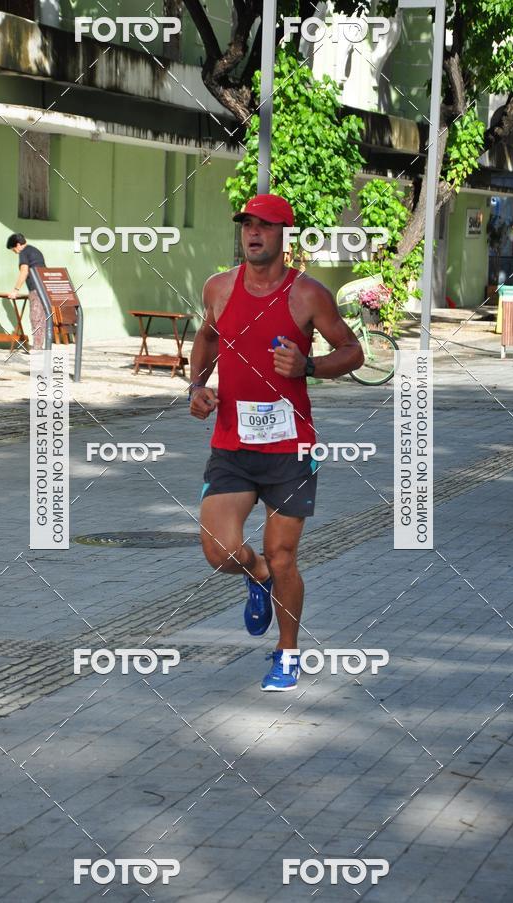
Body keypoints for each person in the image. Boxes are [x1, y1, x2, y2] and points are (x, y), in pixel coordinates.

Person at [189, 194, 364, 691]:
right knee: (221, 551)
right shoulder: (219, 288)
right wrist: (197, 385)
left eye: (264, 225)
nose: (253, 232)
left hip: (291, 449)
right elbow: (207, 338)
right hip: (233, 444)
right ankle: (258, 574)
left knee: (284, 553)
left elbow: (352, 350)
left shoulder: (307, 294)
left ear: (285, 235)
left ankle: (287, 654)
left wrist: (309, 366)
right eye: (247, 224)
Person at [6, 233, 46, 351]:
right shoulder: (35, 250)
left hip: (36, 288)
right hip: (44, 286)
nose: (14, 252)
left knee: (35, 316)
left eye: (13, 249)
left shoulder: (23, 252)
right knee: (41, 317)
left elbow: (24, 271)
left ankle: (37, 347)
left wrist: (15, 290)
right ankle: (39, 345)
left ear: (18, 245)